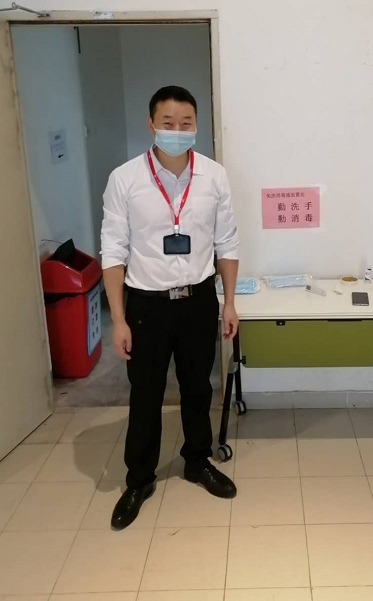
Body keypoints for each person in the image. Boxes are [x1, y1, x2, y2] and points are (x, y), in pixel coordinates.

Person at [101, 85, 239, 530]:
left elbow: (227, 243)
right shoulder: (125, 179)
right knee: (146, 394)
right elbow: (113, 252)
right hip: (147, 306)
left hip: (198, 300)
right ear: (151, 124)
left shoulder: (214, 176)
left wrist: (229, 303)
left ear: (196, 125)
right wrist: (118, 319)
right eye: (168, 123)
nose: (177, 130)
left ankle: (197, 461)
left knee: (198, 387)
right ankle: (139, 479)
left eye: (186, 123)